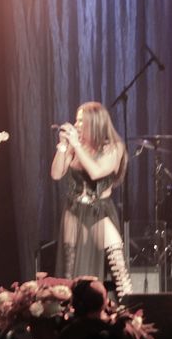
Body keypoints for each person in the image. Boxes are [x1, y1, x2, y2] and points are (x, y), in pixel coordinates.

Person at [51, 101, 131, 296]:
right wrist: (63, 146)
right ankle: (69, 308)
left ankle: (126, 307)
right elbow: (56, 174)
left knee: (118, 266)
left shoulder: (114, 147)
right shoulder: (75, 146)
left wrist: (76, 145)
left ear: (94, 122)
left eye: (81, 121)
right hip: (74, 210)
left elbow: (96, 172)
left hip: (99, 210)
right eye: (76, 120)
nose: (76, 125)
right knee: (70, 269)